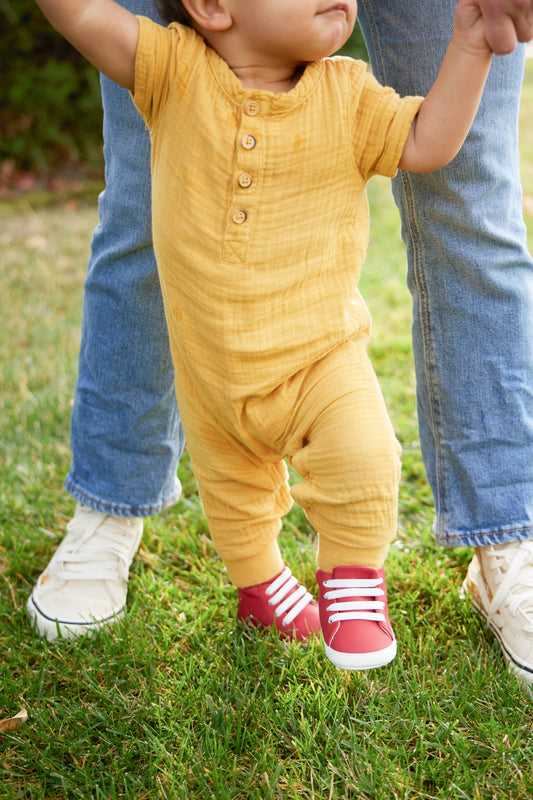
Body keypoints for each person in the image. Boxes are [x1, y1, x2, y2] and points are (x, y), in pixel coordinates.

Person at [27, 0, 533, 686]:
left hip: (320, 363)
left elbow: (426, 144)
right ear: (212, 7)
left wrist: (470, 46)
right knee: (235, 508)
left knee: (363, 461)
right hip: (208, 377)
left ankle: (355, 577)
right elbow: (85, 14)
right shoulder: (170, 68)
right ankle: (256, 584)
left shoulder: (347, 92)